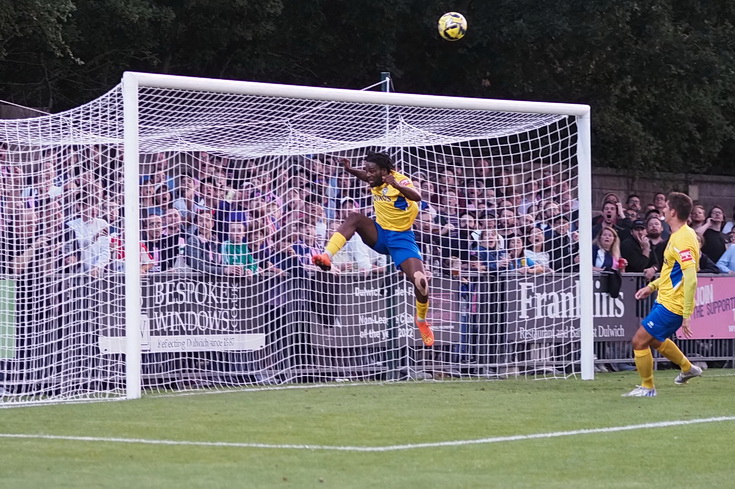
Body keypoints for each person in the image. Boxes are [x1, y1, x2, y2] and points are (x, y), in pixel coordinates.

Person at [311, 152, 435, 346]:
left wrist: (396, 185)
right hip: (380, 234)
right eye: (366, 170)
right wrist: (350, 169)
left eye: (371, 171)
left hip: (402, 240)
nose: (367, 175)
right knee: (354, 218)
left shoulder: (400, 181)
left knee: (421, 282)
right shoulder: (375, 180)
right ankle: (327, 256)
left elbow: (417, 196)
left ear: (385, 172)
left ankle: (421, 320)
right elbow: (365, 176)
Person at [625, 192, 702, 397]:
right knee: (654, 339)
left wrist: (686, 314)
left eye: (666, 207)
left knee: (639, 341)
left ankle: (648, 387)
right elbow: (671, 272)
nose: (663, 210)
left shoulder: (684, 239)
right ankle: (687, 368)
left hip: (673, 304)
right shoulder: (678, 235)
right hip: (665, 299)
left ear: (674, 212)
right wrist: (653, 286)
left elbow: (691, 278)